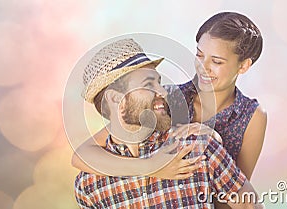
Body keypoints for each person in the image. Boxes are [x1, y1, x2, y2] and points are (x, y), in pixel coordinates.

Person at [72, 11, 267, 180]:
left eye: (216, 61)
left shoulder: (252, 115)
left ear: (243, 66)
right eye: (199, 55)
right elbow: (82, 155)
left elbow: (236, 192)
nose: (203, 67)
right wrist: (152, 167)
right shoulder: (167, 97)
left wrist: (214, 142)